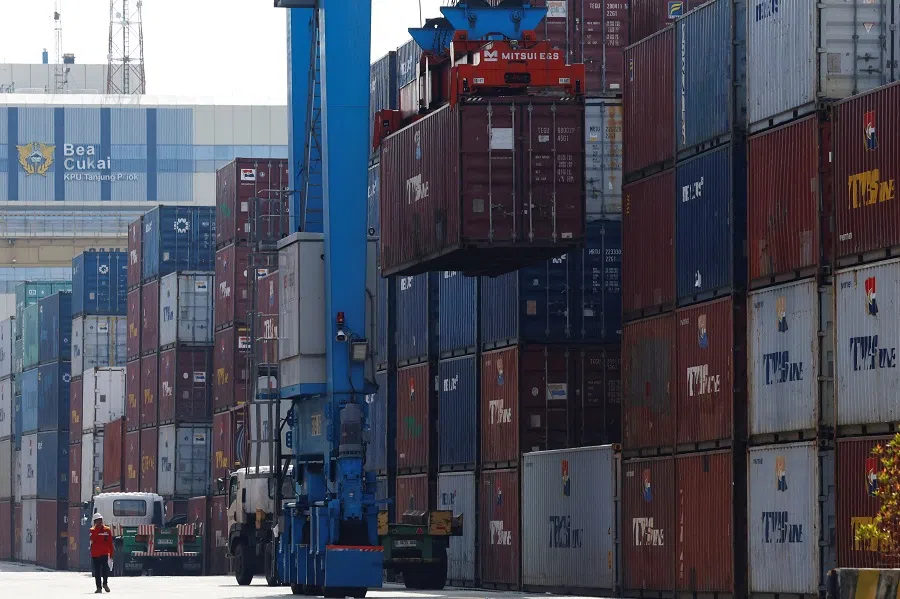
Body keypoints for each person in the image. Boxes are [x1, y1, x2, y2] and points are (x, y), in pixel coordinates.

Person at [89, 513, 114, 593]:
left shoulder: (107, 530)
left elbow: (110, 543)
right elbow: (93, 540)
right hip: (95, 554)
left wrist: (111, 554)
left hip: (104, 553)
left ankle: (105, 584)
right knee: (97, 571)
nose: (100, 522)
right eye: (98, 521)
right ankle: (98, 587)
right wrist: (97, 529)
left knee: (105, 569)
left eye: (101, 520)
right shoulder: (92, 530)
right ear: (95, 522)